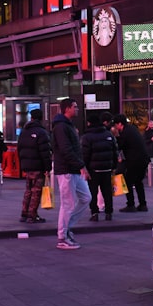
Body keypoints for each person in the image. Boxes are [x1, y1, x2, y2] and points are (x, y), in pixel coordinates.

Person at [51, 98, 90, 250]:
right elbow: (66, 149)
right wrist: (81, 166)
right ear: (67, 108)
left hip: (74, 168)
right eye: (75, 107)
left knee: (86, 197)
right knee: (68, 203)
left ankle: (68, 228)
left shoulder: (68, 125)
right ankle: (62, 237)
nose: (77, 109)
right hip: (67, 169)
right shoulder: (61, 127)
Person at [17, 108, 52, 224]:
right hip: (38, 166)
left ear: (31, 118)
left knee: (28, 190)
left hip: (27, 166)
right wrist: (48, 167)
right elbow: (45, 152)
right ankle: (32, 215)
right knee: (36, 191)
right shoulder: (42, 132)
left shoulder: (24, 131)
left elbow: (19, 149)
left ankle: (24, 213)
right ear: (41, 118)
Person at [82, 111, 118, 221]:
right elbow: (115, 152)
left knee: (93, 192)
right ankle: (108, 212)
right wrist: (114, 166)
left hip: (93, 169)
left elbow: (85, 154)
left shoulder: (87, 137)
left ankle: (94, 213)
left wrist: (85, 168)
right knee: (107, 191)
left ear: (89, 123)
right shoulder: (108, 134)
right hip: (107, 168)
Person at [114, 114, 149, 210]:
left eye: (116, 125)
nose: (115, 127)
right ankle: (143, 204)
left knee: (127, 182)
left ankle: (131, 204)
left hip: (134, 160)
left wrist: (116, 136)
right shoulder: (133, 129)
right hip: (143, 159)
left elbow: (120, 145)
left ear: (120, 124)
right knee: (138, 182)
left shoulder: (125, 132)